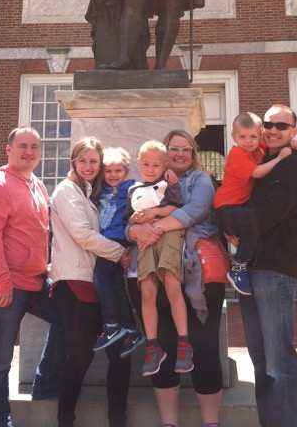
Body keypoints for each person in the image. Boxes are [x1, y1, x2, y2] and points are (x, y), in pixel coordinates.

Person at [222, 104, 297, 427]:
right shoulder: (261, 156)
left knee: (278, 361)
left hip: (274, 269)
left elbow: (266, 215)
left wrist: (221, 218)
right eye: (269, 124)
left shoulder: (291, 166)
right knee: (260, 360)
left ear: (293, 131)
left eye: (281, 125)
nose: (273, 129)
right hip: (251, 269)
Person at [127, 130, 224, 427]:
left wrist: (155, 226)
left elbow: (197, 209)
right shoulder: (147, 181)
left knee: (203, 345)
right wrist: (133, 231)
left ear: (193, 153)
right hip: (151, 270)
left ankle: (211, 422)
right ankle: (169, 422)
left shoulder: (200, 180)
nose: (180, 153)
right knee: (162, 344)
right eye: (174, 148)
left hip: (195, 272)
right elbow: (126, 223)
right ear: (165, 154)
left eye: (186, 149)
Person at [0, 127, 61, 427]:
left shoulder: (37, 184)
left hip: (36, 281)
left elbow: (37, 233)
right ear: (8, 149)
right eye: (22, 146)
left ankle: (45, 381)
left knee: (73, 316)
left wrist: (46, 265)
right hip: (1, 283)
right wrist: (3, 281)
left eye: (35, 146)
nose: (29, 152)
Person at [47, 137, 132, 427]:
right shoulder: (67, 191)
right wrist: (120, 251)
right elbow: (82, 235)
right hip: (75, 284)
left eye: (93, 161)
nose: (88, 166)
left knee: (121, 354)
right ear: (73, 162)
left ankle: (117, 420)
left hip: (97, 283)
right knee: (80, 357)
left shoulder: (89, 193)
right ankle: (64, 421)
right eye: (82, 160)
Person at [127, 140, 190, 377]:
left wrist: (155, 213)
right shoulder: (132, 190)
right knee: (147, 292)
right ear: (138, 164)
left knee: (173, 286)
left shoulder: (169, 182)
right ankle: (153, 346)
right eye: (145, 164)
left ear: (164, 165)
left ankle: (184, 343)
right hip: (145, 241)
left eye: (156, 165)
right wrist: (136, 221)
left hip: (169, 234)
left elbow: (177, 207)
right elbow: (129, 218)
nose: (150, 169)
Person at [213, 112, 293, 296]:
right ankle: (238, 267)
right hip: (226, 207)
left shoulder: (258, 148)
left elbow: (276, 144)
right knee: (255, 223)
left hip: (240, 205)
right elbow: (257, 173)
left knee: (253, 228)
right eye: (242, 137)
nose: (248, 141)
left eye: (253, 137)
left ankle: (240, 265)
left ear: (261, 135)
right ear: (233, 137)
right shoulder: (238, 154)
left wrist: (291, 144)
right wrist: (280, 158)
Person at [92, 146, 144, 356]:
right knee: (116, 285)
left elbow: (146, 198)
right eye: (108, 171)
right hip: (104, 241)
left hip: (118, 240)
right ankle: (132, 330)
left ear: (126, 171)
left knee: (100, 278)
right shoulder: (100, 189)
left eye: (118, 171)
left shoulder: (131, 188)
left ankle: (112, 323)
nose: (113, 175)